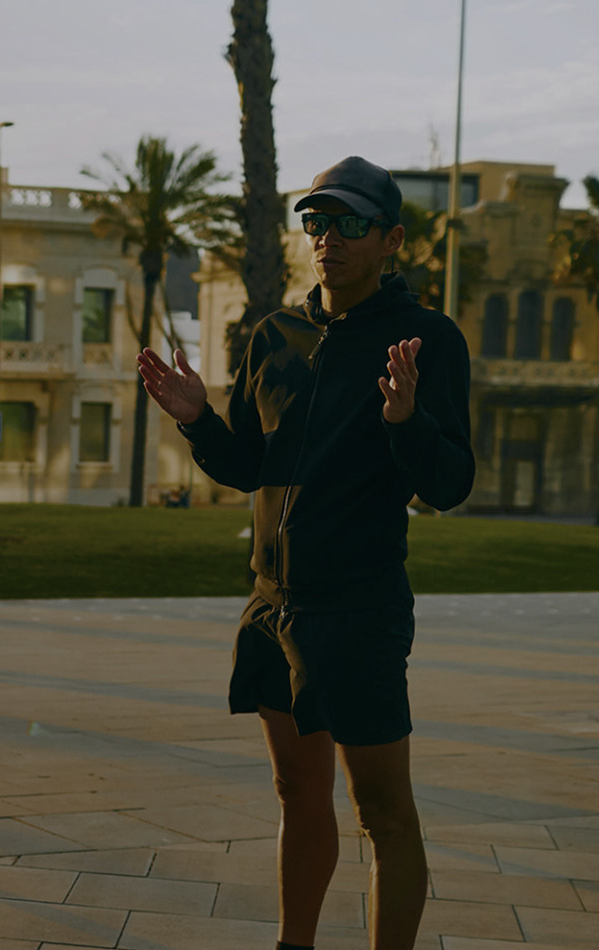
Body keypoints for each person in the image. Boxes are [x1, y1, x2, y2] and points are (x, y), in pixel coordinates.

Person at [138, 156, 473, 950]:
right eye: (317, 222)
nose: (329, 239)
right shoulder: (274, 336)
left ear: (391, 239)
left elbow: (452, 481)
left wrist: (406, 420)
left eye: (350, 224)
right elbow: (251, 466)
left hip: (357, 609)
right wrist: (197, 420)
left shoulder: (426, 340)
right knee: (297, 792)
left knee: (383, 810)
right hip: (270, 605)